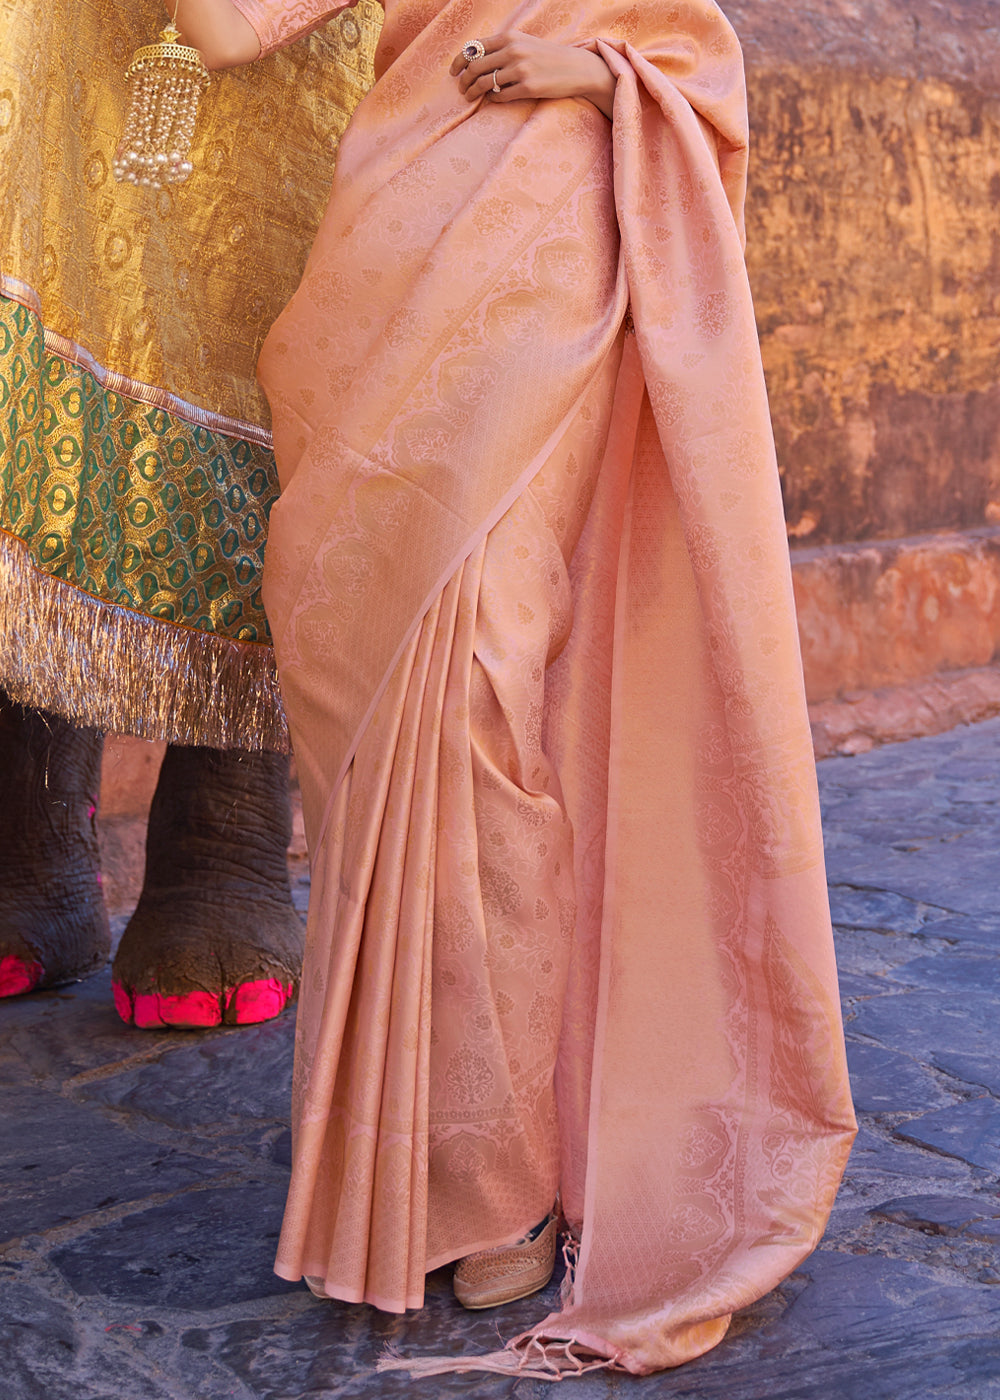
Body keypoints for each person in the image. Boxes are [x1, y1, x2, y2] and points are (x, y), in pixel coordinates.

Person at [180, 0, 857, 1378]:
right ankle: (419, 1157)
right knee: (358, 684)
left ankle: (508, 1178)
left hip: (554, 209)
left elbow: (702, 53)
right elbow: (228, 25)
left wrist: (606, 75)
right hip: (392, 227)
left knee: (482, 685)